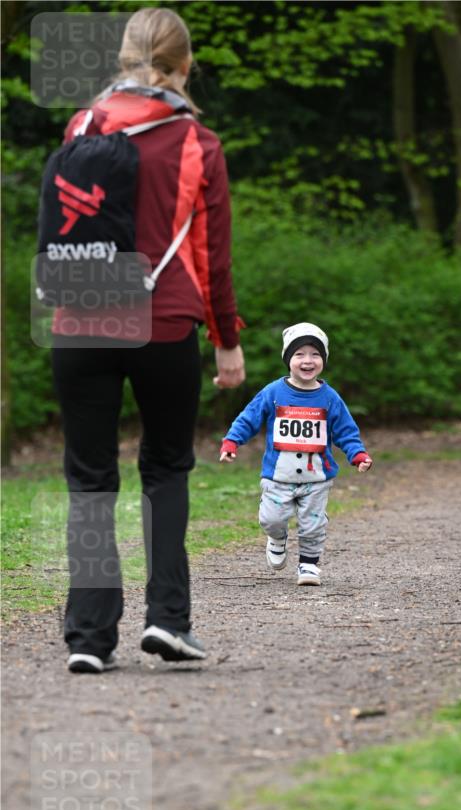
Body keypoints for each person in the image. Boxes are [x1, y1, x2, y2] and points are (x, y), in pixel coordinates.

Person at [50, 8, 245, 673]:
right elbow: (211, 256)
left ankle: (88, 638)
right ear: (186, 66)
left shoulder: (82, 126)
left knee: (89, 480)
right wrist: (226, 339)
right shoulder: (196, 143)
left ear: (123, 58)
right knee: (164, 469)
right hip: (162, 323)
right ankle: (168, 619)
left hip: (78, 322)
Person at [219, 323, 372, 586]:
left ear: (323, 360)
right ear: (288, 359)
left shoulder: (330, 398)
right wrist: (231, 442)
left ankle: (309, 565)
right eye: (299, 354)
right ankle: (277, 539)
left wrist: (357, 454)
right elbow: (248, 418)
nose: (307, 361)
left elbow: (346, 431)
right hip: (278, 476)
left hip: (317, 477)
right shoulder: (273, 392)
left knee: (313, 524)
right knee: (271, 519)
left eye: (315, 354)